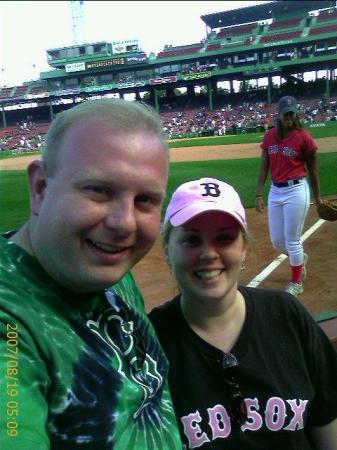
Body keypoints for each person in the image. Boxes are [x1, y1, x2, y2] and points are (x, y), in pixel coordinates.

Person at [0, 99, 182, 449]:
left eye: (145, 200)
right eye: (99, 190)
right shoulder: (10, 321)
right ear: (40, 188)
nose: (124, 223)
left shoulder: (102, 265)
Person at [149, 177, 337, 450]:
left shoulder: (288, 315)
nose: (208, 253)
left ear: (244, 248)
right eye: (191, 239)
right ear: (167, 250)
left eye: (225, 238)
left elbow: (328, 426)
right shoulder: (150, 343)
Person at [255, 95, 323, 297]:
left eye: (293, 112)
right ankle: (300, 258)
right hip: (275, 191)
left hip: (296, 190)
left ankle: (296, 282)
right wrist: (259, 193)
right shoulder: (270, 136)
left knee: (292, 240)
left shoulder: (304, 138)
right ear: (280, 113)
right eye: (286, 113)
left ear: (296, 113)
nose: (290, 116)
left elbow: (313, 170)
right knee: (277, 241)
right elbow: (264, 165)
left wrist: (318, 198)